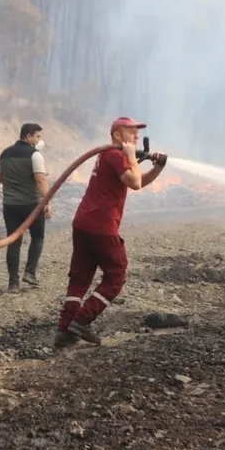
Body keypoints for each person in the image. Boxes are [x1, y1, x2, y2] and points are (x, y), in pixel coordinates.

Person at [55, 117, 167, 348]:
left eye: (138, 133)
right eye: (131, 132)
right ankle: (83, 320)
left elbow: (137, 182)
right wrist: (131, 158)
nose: (136, 136)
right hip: (102, 225)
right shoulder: (116, 155)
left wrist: (157, 166)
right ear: (117, 135)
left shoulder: (111, 156)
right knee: (116, 274)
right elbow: (135, 182)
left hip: (83, 222)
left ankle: (65, 330)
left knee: (81, 276)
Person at [0, 122, 50, 292]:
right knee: (38, 237)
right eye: (38, 136)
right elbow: (40, 179)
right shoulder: (35, 155)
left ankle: (13, 283)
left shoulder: (5, 153)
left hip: (10, 205)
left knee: (13, 241)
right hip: (31, 205)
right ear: (29, 136)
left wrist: (12, 184)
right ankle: (30, 273)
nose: (39, 140)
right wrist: (47, 202)